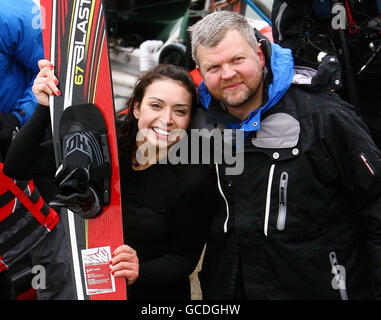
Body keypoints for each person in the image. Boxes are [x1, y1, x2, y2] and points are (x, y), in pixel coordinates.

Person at [188, 10, 381, 299]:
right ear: (201, 73)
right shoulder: (202, 125)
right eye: (214, 67)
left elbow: (376, 208)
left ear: (259, 55)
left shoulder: (324, 116)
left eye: (237, 60)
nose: (228, 74)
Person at [4, 61, 214, 300]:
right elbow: (17, 167)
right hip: (94, 289)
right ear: (136, 108)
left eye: (180, 111)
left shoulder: (193, 180)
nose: (166, 119)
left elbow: (184, 259)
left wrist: (140, 270)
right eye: (156, 105)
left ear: (189, 120)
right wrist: (43, 107)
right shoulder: (103, 142)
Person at [0, 0, 45, 299]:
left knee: (18, 251)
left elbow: (54, 69)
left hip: (13, 150)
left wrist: (18, 118)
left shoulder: (9, 13)